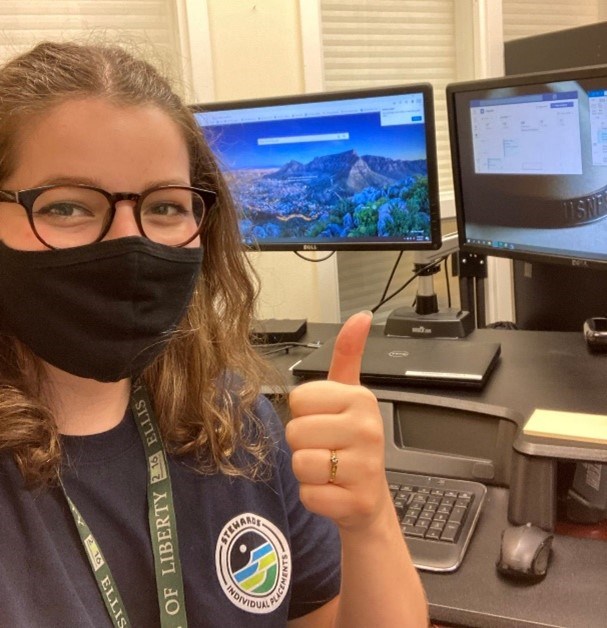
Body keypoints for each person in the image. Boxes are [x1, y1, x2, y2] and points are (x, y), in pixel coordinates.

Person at [0, 41, 428, 627]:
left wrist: (371, 519)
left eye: (167, 207)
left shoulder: (233, 420)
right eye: (67, 207)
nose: (131, 243)